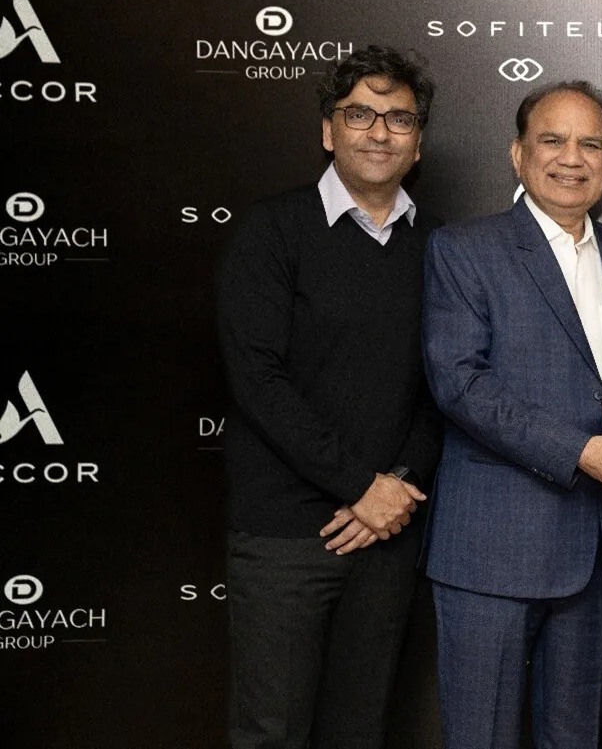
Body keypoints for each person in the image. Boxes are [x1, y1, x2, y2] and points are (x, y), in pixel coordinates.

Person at [215, 45, 442, 749]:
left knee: (359, 731)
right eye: (359, 114)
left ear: (417, 142)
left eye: (398, 118)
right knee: (271, 732)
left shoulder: (439, 249)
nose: (379, 132)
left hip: (386, 535)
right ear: (327, 130)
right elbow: (257, 378)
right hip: (285, 535)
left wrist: (394, 487)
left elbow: (444, 386)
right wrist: (359, 487)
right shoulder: (271, 231)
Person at [422, 80, 602, 749]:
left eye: (591, 143)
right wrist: (578, 449)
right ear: (518, 154)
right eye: (552, 140)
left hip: (598, 551)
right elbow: (459, 382)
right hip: (492, 549)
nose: (572, 158)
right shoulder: (464, 249)